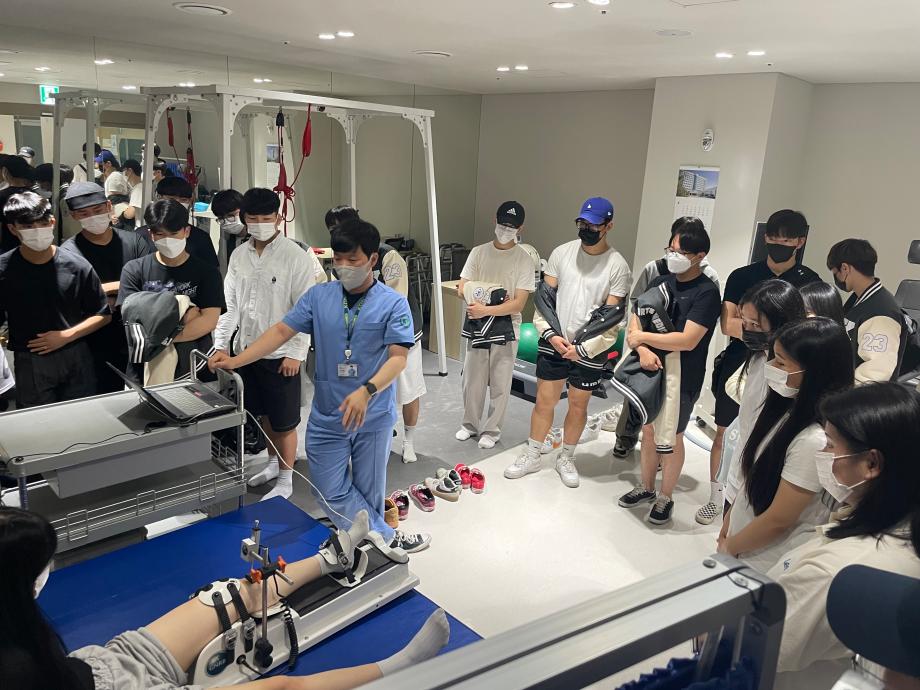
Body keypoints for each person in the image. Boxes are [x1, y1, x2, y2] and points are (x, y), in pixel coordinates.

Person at [0, 507, 451, 690]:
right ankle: (399, 667)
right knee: (283, 688)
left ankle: (331, 559)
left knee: (230, 595)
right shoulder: (14, 666)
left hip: (105, 664)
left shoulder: (17, 628)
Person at [209, 218, 431, 556]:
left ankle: (368, 553)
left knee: (369, 493)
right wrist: (236, 360)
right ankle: (387, 537)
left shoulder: (393, 303)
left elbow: (398, 358)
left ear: (372, 259)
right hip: (329, 414)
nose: (343, 267)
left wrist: (367, 391)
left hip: (372, 415)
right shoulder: (319, 297)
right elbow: (280, 332)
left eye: (353, 260)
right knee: (327, 488)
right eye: (338, 259)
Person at [767, 383, 920, 690]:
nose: (822, 455)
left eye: (830, 446)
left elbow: (755, 644)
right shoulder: (903, 529)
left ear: (871, 463)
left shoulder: (833, 571)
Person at [505, 196, 630, 488]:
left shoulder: (617, 266)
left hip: (590, 349)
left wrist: (583, 349)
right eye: (582, 223)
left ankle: (567, 457)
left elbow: (612, 317)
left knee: (578, 404)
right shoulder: (562, 253)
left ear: (608, 226)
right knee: (544, 401)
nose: (586, 229)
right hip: (555, 340)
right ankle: (533, 454)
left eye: (593, 225)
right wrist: (550, 334)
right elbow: (544, 300)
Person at [709, 210, 821, 523]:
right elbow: (728, 324)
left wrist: (771, 341)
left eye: (787, 239)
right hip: (739, 361)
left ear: (800, 242)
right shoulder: (742, 276)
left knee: (768, 436)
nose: (779, 244)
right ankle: (717, 495)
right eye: (774, 237)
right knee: (725, 432)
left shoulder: (809, 282)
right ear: (766, 238)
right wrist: (767, 333)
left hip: (784, 369)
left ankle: (751, 501)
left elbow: (807, 332)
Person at [718, 318, 854, 572]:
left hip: (764, 563)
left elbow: (778, 520)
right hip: (742, 545)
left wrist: (730, 547)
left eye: (781, 363)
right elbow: (753, 473)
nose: (771, 367)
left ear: (815, 373)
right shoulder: (785, 408)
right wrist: (729, 523)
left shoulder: (815, 440)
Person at [215, 188, 324, 501]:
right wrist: (221, 344)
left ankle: (287, 478)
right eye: (253, 218)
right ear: (244, 219)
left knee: (284, 421)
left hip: (281, 354)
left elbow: (305, 309)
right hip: (246, 350)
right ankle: (274, 463)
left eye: (267, 217)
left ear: (278, 217)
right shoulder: (239, 256)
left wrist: (297, 353)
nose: (261, 224)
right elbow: (230, 306)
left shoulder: (295, 256)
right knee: (262, 414)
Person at [617, 221, 721, 525]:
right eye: (671, 249)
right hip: (649, 369)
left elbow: (688, 340)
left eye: (681, 252)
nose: (673, 256)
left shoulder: (707, 293)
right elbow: (637, 316)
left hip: (683, 377)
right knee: (649, 430)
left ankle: (666, 496)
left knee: (672, 437)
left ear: (699, 256)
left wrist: (643, 338)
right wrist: (642, 349)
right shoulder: (661, 281)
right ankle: (647, 486)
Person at [324, 206, 427, 462]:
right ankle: (376, 434)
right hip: (365, 338)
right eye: (332, 231)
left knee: (408, 389)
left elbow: (397, 298)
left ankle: (409, 440)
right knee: (371, 387)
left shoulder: (387, 255)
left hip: (401, 334)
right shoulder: (340, 259)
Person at [703, 280, 808, 525]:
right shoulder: (758, 357)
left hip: (765, 479)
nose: (748, 330)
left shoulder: (793, 372)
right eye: (745, 322)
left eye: (756, 325)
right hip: (741, 469)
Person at [0, 192, 110, 407]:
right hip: (30, 357)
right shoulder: (4, 269)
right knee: (37, 420)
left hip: (76, 353)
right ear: (13, 229)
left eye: (42, 223)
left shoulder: (76, 265)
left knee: (81, 415)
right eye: (28, 226)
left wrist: (65, 336)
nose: (36, 231)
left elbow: (103, 314)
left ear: (52, 222)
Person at [456, 201, 536, 449]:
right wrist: (491, 298)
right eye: (503, 224)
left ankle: (492, 430)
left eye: (511, 227)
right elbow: (462, 287)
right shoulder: (479, 253)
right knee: (473, 379)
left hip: (506, 327)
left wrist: (484, 304)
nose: (505, 230)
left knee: (501, 381)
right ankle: (469, 424)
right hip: (478, 323)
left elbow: (518, 303)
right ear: (495, 221)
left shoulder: (524, 260)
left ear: (520, 228)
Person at [60, 182, 152, 393]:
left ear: (109, 206)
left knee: (141, 395)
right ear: (74, 216)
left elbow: (151, 284)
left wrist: (103, 291)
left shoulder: (134, 242)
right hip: (93, 341)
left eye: (97, 210)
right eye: (84, 213)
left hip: (137, 335)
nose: (92, 217)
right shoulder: (69, 253)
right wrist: (125, 289)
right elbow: (72, 299)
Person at [118, 199, 224, 380]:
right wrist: (185, 314)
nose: (168, 240)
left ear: (186, 231)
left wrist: (158, 336)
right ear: (151, 235)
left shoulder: (207, 272)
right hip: (144, 367)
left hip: (194, 365)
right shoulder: (134, 270)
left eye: (174, 233)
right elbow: (132, 320)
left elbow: (208, 321)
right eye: (160, 234)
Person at [827, 238, 907, 383]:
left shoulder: (881, 313)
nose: (836, 278)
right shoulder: (859, 299)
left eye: (835, 272)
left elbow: (875, 374)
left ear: (845, 268)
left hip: (858, 394)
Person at [139, 176, 218, 268]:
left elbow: (212, 271)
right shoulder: (140, 237)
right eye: (172, 199)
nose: (177, 203)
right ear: (158, 197)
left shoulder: (201, 238)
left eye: (183, 200)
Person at [0, 153, 37, 253]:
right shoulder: (35, 194)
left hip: (8, 246)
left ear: (5, 171)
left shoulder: (2, 196)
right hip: (32, 244)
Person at [211, 188, 247, 260]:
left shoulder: (257, 238)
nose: (227, 222)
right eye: (221, 218)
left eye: (230, 215)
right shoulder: (226, 239)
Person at [121, 158, 144, 228]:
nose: (124, 174)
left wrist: (121, 212)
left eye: (124, 171)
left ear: (130, 170)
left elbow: (130, 214)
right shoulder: (141, 186)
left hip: (140, 227)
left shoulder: (138, 189)